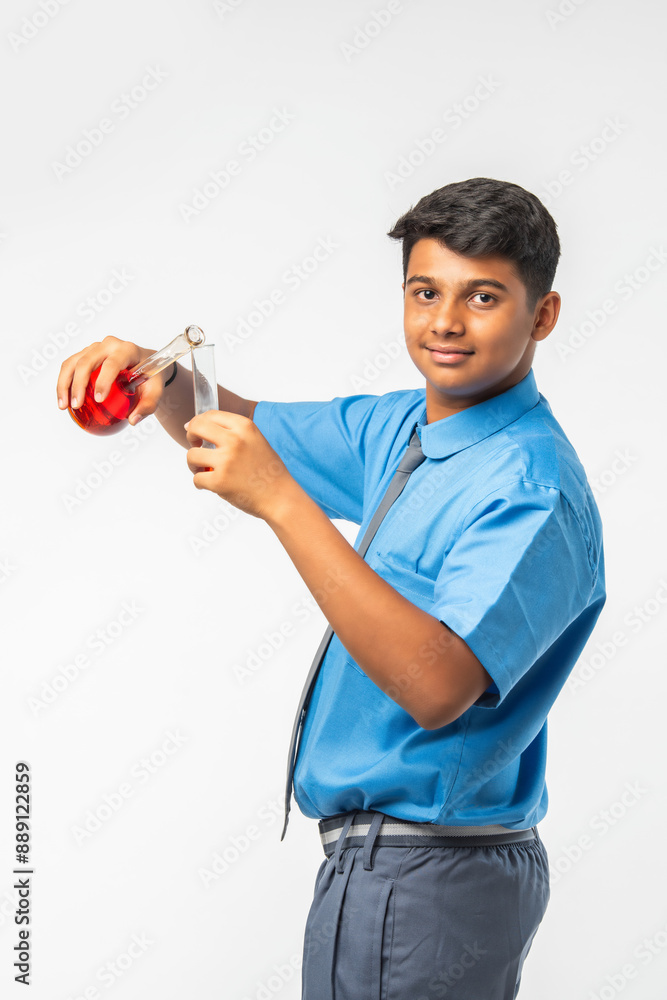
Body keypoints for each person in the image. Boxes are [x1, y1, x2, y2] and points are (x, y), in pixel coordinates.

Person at [57, 176, 606, 999]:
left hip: (429, 875)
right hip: (387, 868)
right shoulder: (405, 428)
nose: (444, 322)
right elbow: (237, 427)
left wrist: (282, 503)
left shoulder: (529, 487)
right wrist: (157, 374)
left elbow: (437, 687)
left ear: (543, 314)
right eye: (424, 292)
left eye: (482, 296)